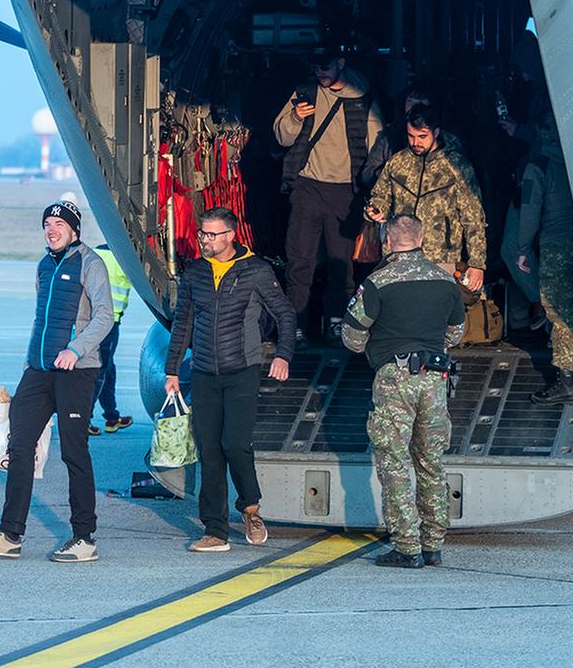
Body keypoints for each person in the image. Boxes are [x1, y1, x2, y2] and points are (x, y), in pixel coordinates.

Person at [0, 200, 114, 563]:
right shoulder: (44, 265)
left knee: (74, 452)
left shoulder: (90, 264)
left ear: (74, 230)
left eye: (59, 223)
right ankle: (10, 534)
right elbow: (42, 317)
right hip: (39, 368)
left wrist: (75, 350)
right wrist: (33, 357)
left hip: (76, 370)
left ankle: (84, 537)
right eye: (47, 223)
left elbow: (105, 316)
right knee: (19, 446)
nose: (51, 228)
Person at [163, 207, 297, 552]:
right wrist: (172, 370)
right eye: (202, 234)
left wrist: (282, 355)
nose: (204, 240)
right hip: (205, 372)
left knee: (234, 444)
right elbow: (183, 322)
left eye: (211, 235)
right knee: (209, 450)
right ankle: (215, 530)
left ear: (230, 236)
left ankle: (250, 508)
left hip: (243, 371)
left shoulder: (255, 270)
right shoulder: (195, 272)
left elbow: (284, 313)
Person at [341, 216, 467, 569]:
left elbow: (351, 337)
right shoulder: (445, 281)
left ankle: (406, 546)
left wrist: (377, 348)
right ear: (422, 238)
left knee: (394, 464)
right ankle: (433, 544)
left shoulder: (377, 283)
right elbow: (456, 332)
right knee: (431, 462)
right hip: (434, 378)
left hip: (394, 377)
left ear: (387, 239)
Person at [271, 55, 384, 336]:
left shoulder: (361, 97)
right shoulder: (305, 93)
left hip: (345, 191)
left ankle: (337, 322)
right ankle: (295, 323)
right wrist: (295, 118)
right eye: (316, 67)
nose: (321, 72)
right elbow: (281, 136)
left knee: (341, 263)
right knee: (299, 260)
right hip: (307, 186)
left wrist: (374, 192)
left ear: (341, 63)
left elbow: (377, 148)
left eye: (326, 66)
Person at [503, 114, 573, 402]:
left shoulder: (538, 166)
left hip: (556, 245)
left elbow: (529, 211)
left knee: (558, 310)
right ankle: (572, 350)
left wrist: (521, 249)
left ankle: (566, 379)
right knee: (572, 305)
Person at [363, 106, 488, 293]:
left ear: (436, 132)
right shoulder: (398, 162)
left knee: (435, 315)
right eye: (411, 136)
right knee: (400, 312)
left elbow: (473, 216)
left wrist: (477, 263)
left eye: (422, 136)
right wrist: (375, 209)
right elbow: (380, 195)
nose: (415, 142)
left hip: (440, 256)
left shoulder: (456, 166)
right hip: (398, 253)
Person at [88, 242, 135, 436]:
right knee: (99, 371)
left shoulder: (96, 252)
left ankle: (111, 416)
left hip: (91, 318)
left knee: (108, 368)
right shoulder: (126, 258)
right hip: (109, 321)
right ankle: (84, 418)